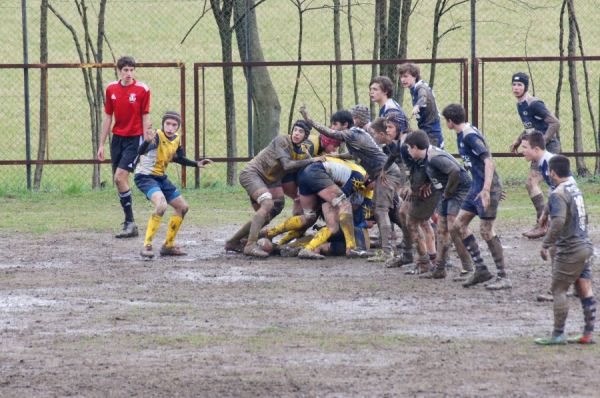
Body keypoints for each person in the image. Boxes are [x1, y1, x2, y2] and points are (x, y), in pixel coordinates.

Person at [299, 106, 406, 262]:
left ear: (351, 121)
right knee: (391, 209)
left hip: (386, 175)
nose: (333, 127)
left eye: (336, 124)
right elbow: (354, 154)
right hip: (385, 173)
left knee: (381, 211)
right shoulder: (358, 136)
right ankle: (402, 245)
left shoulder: (353, 133)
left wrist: (309, 120)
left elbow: (331, 133)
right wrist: (337, 155)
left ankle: (387, 251)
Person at [225, 121, 325, 257]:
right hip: (253, 174)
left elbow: (309, 164)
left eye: (301, 132)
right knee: (267, 203)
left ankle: (233, 242)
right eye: (295, 130)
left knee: (275, 207)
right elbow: (287, 165)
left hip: (271, 179)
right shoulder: (282, 140)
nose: (296, 133)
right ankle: (250, 245)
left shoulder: (303, 151)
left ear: (306, 136)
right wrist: (312, 160)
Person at [442, 104, 511, 290]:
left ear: (450, 121)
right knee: (458, 225)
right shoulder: (462, 134)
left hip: (483, 189)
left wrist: (489, 188)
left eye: (445, 120)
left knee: (486, 230)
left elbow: (489, 161)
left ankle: (503, 276)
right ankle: (481, 269)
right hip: (476, 187)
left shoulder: (469, 136)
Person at [535, 155, 596, 345]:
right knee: (584, 287)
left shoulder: (558, 194)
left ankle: (558, 334)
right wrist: (546, 212)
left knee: (558, 289)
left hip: (570, 249)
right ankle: (587, 333)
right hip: (585, 246)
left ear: (552, 172)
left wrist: (545, 243)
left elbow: (559, 221)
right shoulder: (574, 188)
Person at [135, 111, 213, 258]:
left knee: (182, 207)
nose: (170, 127)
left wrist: (196, 163)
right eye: (167, 124)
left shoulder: (176, 139)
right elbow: (141, 151)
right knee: (161, 206)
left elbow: (178, 158)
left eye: (174, 125)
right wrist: (146, 141)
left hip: (161, 178)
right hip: (145, 177)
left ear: (178, 127)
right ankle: (147, 245)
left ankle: (168, 245)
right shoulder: (156, 136)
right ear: (163, 124)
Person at [403, 130, 473, 279]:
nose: (408, 151)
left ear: (415, 147)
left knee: (454, 227)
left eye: (409, 148)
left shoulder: (434, 158)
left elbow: (454, 170)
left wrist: (447, 192)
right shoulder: (426, 157)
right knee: (442, 230)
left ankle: (469, 268)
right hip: (447, 193)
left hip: (459, 190)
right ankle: (440, 269)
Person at [98, 56, 151, 238]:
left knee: (120, 177)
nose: (128, 73)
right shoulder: (111, 89)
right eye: (125, 70)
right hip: (117, 139)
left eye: (131, 70)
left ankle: (130, 223)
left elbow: (145, 116)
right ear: (119, 71)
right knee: (119, 180)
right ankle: (131, 223)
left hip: (135, 138)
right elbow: (107, 117)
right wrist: (101, 144)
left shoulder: (142, 89)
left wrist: (146, 143)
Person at [510, 72, 561, 239]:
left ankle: (545, 224)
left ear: (526, 87)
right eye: (514, 85)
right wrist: (519, 140)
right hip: (539, 148)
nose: (516, 88)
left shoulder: (534, 104)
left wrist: (542, 143)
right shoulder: (521, 105)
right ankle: (546, 223)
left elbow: (555, 122)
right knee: (535, 184)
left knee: (537, 183)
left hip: (548, 147)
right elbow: (530, 126)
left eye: (520, 85)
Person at [397, 63, 444, 148]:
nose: (402, 79)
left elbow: (423, 96)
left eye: (405, 76)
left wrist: (417, 105)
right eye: (401, 77)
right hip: (425, 130)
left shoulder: (421, 87)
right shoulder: (414, 88)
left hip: (432, 132)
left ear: (414, 76)